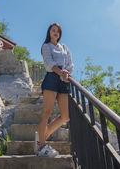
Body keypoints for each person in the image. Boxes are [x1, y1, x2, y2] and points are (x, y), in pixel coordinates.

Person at [35, 22, 74, 157]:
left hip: (63, 80)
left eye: (57, 31)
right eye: (53, 30)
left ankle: (42, 137)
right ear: (49, 33)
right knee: (47, 111)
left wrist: (66, 73)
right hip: (51, 78)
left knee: (65, 116)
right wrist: (61, 72)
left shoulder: (64, 47)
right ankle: (41, 146)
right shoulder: (46, 46)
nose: (55, 32)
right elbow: (50, 63)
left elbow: (70, 63)